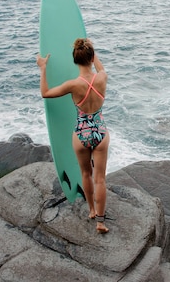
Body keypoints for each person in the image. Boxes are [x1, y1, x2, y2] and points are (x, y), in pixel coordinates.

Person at [37, 38, 110, 234]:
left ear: (75, 60)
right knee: (100, 179)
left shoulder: (73, 85)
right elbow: (98, 65)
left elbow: (45, 93)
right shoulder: (103, 77)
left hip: (81, 133)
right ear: (91, 57)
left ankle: (92, 210)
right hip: (100, 132)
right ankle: (101, 222)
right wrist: (93, 51)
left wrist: (43, 67)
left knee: (85, 174)